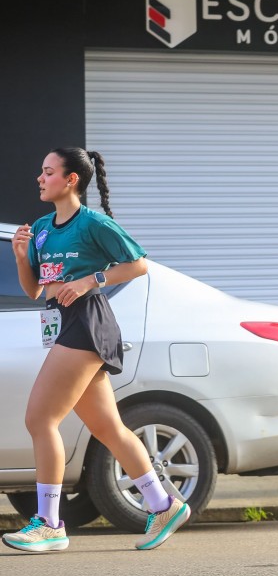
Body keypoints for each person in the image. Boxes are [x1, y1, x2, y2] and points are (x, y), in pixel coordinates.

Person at [2, 147, 190, 553]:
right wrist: (20, 256)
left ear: (71, 180)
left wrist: (91, 280)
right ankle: (163, 504)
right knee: (107, 428)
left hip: (88, 323)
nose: (40, 178)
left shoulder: (93, 223)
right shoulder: (42, 228)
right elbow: (34, 290)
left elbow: (138, 264)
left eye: (48, 172)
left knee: (40, 419)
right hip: (63, 324)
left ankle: (49, 524)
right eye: (41, 171)